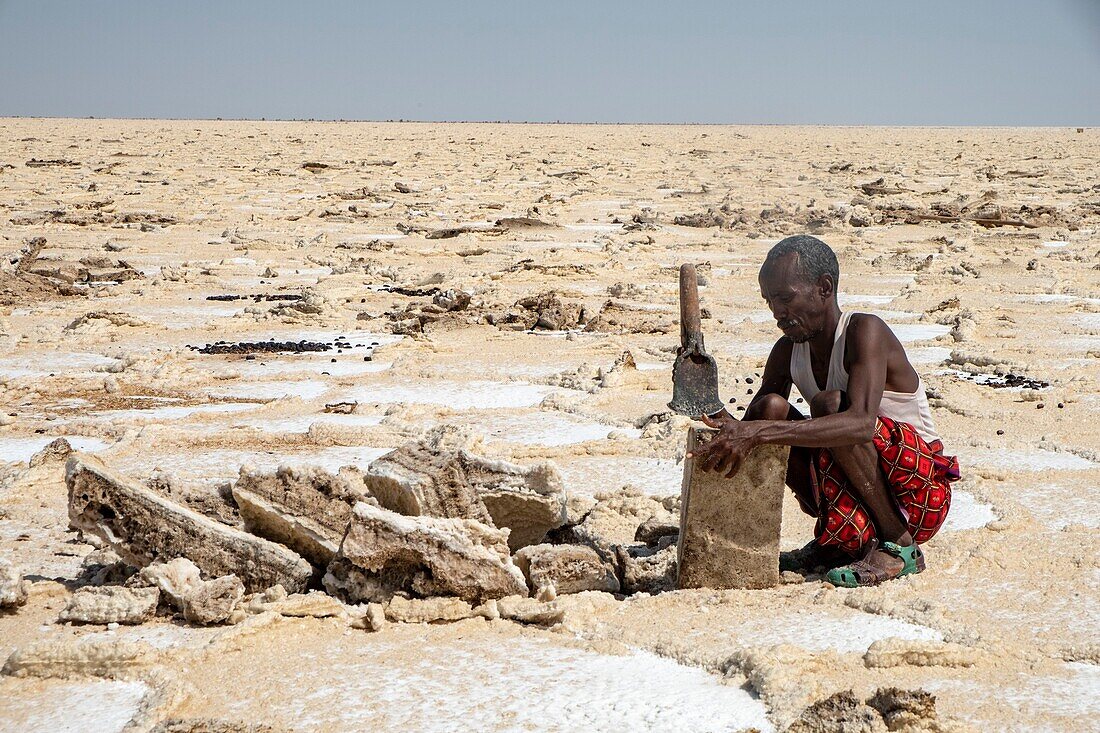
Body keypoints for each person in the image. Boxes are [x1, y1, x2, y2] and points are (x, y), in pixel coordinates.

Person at [686, 235, 960, 587]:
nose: (777, 312)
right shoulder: (787, 352)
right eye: (770, 301)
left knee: (829, 405)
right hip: (854, 494)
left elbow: (860, 424)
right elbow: (753, 427)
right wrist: (711, 406)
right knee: (769, 409)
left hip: (918, 495)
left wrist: (755, 433)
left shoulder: (865, 331)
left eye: (785, 298)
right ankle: (837, 543)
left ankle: (900, 548)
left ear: (824, 288)